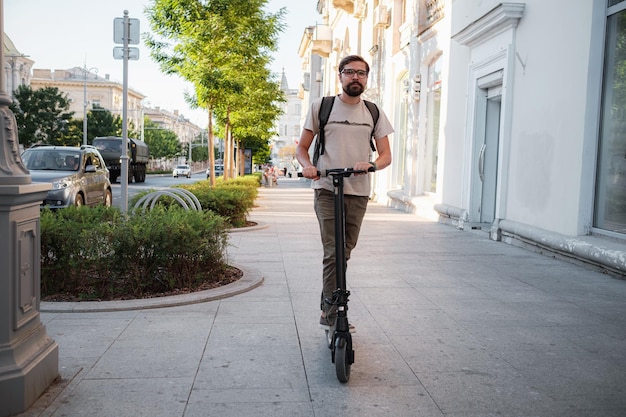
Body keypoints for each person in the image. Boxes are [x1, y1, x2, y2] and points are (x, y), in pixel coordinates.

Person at [296, 55, 393, 327]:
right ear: (339, 76)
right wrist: (307, 167)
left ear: (366, 79)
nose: (355, 77)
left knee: (345, 251)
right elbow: (301, 148)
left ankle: (328, 301)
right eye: (349, 72)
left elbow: (386, 155)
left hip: (358, 191)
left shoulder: (373, 112)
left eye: (361, 73)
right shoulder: (322, 107)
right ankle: (332, 312)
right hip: (327, 188)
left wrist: (371, 165)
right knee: (333, 250)